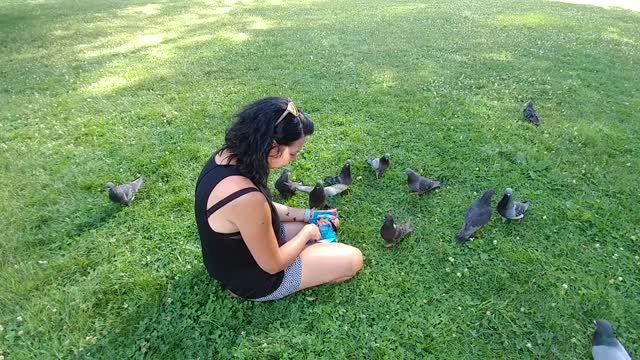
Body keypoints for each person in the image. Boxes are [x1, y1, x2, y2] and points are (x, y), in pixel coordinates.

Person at [194, 97, 363, 301]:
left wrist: (307, 215)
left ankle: (314, 249)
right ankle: (247, 289)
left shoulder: (225, 157)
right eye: (294, 153)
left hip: (230, 258)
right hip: (256, 278)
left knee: (324, 226)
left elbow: (258, 212)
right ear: (274, 148)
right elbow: (273, 264)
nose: (295, 159)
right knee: (352, 259)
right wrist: (306, 233)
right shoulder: (246, 199)